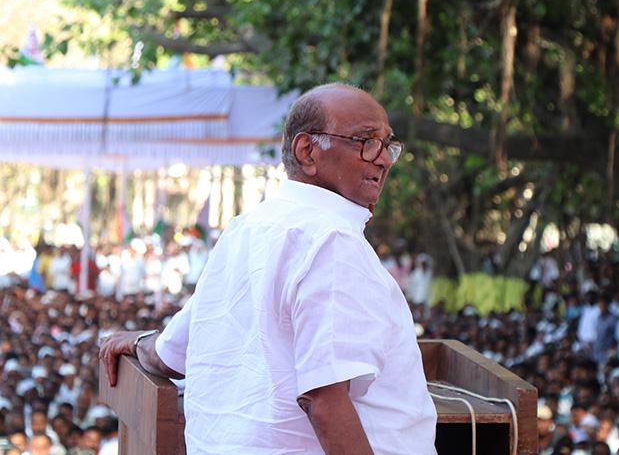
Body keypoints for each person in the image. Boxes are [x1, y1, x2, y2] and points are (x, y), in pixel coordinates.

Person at [100, 83, 438, 454]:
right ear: (307, 151)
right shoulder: (331, 242)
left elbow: (168, 354)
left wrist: (134, 342)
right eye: (365, 141)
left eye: (388, 145)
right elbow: (324, 401)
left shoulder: (245, 229)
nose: (384, 159)